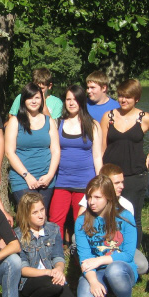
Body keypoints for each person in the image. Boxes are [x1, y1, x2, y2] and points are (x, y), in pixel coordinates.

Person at [101, 78, 149, 252]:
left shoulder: (145, 118)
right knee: (109, 214)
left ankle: (132, 253)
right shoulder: (108, 116)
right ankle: (110, 250)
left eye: (128, 97)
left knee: (133, 217)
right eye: (121, 96)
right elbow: (102, 146)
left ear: (137, 98)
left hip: (135, 175)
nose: (123, 100)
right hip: (110, 176)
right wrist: (101, 171)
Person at [75, 175, 137, 297]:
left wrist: (100, 260)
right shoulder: (81, 221)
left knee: (114, 270)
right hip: (95, 270)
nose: (91, 202)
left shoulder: (125, 217)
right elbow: (85, 257)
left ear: (109, 197)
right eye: (89, 197)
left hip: (121, 268)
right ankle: (105, 295)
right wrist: (93, 281)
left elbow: (128, 255)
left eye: (97, 197)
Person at [13, 193, 79, 297]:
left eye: (42, 210)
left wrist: (58, 270)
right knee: (53, 284)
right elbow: (23, 268)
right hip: (29, 280)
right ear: (26, 214)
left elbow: (58, 256)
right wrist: (48, 272)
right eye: (35, 212)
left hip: (52, 277)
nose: (41, 215)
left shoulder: (53, 229)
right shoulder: (18, 234)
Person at [48, 84, 101, 237]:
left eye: (75, 99)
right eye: (68, 99)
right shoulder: (57, 123)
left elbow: (97, 156)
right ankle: (55, 249)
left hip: (85, 182)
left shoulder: (93, 125)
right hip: (61, 180)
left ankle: (80, 250)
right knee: (55, 220)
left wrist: (100, 181)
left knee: (82, 221)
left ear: (82, 101)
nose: (71, 103)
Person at [77, 163, 149, 275]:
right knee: (76, 239)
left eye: (122, 182)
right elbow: (81, 223)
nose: (122, 186)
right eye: (116, 183)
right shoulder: (92, 198)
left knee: (141, 265)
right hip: (95, 241)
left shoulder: (126, 206)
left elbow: (128, 236)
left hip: (117, 246)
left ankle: (119, 273)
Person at [5, 82, 60, 209]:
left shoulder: (49, 121)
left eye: (37, 97)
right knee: (29, 214)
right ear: (24, 100)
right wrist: (27, 176)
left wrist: (50, 175)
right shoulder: (15, 121)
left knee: (41, 216)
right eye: (30, 98)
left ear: (42, 100)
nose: (34, 101)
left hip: (46, 179)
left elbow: (56, 150)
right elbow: (9, 152)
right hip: (22, 179)